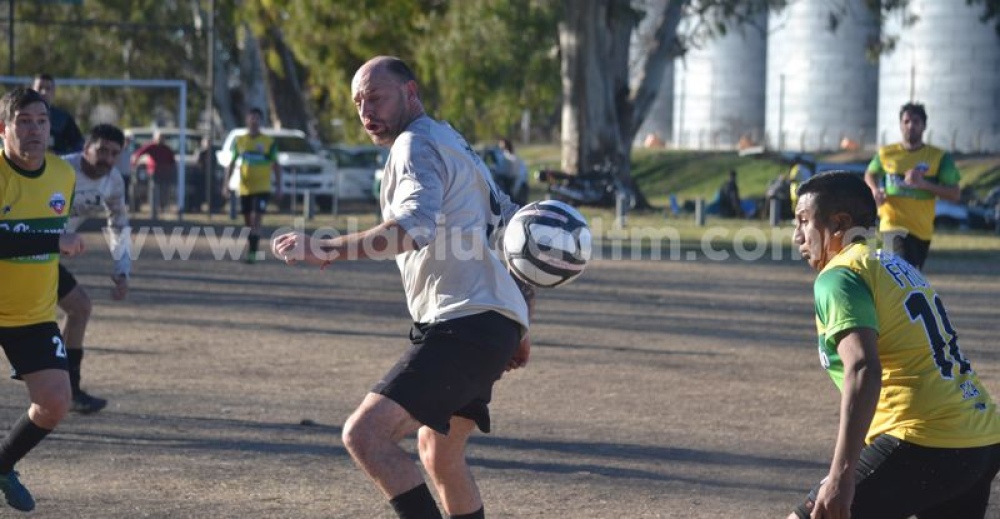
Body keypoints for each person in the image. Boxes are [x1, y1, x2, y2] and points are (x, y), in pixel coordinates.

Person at [272, 56, 533, 519]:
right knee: (439, 453)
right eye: (357, 102)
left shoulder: (414, 145)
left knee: (365, 435)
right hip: (488, 320)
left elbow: (413, 227)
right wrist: (519, 320)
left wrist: (326, 248)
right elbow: (510, 230)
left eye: (375, 96)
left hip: (465, 322)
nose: (365, 110)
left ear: (411, 91)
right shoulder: (454, 142)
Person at [789, 171, 1000, 519]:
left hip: (925, 439)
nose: (797, 235)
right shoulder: (893, 264)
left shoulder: (840, 276)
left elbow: (863, 368)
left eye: (804, 221)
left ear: (839, 223)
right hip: (979, 437)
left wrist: (841, 474)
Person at [0, 86, 87, 512]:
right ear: (3, 129)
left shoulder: (62, 176)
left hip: (30, 313)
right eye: (23, 122)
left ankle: (1, 465)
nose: (34, 130)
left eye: (41, 121)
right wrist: (55, 238)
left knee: (54, 403)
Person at [59, 123, 132, 414]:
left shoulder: (113, 182)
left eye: (115, 153)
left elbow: (119, 224)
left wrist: (122, 267)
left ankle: (69, 390)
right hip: (21, 252)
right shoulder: (60, 169)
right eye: (102, 150)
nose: (107, 158)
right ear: (86, 148)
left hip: (45, 258)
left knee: (79, 308)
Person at [864, 102, 961, 270]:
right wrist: (875, 190)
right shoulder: (887, 153)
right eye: (906, 121)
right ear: (900, 125)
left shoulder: (938, 157)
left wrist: (923, 184)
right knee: (900, 271)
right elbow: (870, 173)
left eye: (916, 122)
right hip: (892, 226)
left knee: (909, 278)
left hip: (921, 231)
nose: (911, 126)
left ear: (924, 126)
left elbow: (955, 194)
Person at [225, 108, 281, 263]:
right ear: (247, 120)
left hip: (262, 187)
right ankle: (252, 248)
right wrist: (226, 184)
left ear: (261, 121)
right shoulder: (240, 141)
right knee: (248, 222)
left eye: (257, 118)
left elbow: (276, 164)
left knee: (257, 218)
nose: (254, 121)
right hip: (245, 188)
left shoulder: (268, 142)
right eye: (252, 118)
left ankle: (253, 254)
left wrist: (279, 186)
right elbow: (231, 163)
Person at [31, 74, 84, 155]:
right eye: (40, 88)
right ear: (32, 90)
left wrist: (62, 155)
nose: (44, 92)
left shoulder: (63, 118)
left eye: (48, 89)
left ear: (53, 92)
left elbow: (79, 146)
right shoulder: (22, 115)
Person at [131, 130, 177, 213]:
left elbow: (172, 161)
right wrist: (135, 161)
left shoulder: (166, 149)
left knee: (164, 190)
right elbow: (138, 153)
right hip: (154, 172)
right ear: (155, 138)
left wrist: (171, 170)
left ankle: (163, 207)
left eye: (162, 138)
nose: (160, 140)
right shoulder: (151, 146)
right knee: (153, 190)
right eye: (159, 138)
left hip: (164, 173)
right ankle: (153, 208)